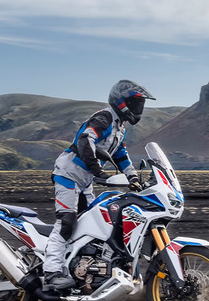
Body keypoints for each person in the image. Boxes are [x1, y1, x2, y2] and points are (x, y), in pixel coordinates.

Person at [43, 80, 156, 290]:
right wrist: (98, 172)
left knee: (89, 224)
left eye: (140, 104)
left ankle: (79, 268)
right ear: (122, 101)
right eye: (135, 103)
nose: (138, 108)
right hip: (68, 174)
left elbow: (121, 155)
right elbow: (85, 140)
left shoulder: (119, 126)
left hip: (84, 181)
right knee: (67, 222)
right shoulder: (104, 118)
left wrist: (133, 178)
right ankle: (51, 273)